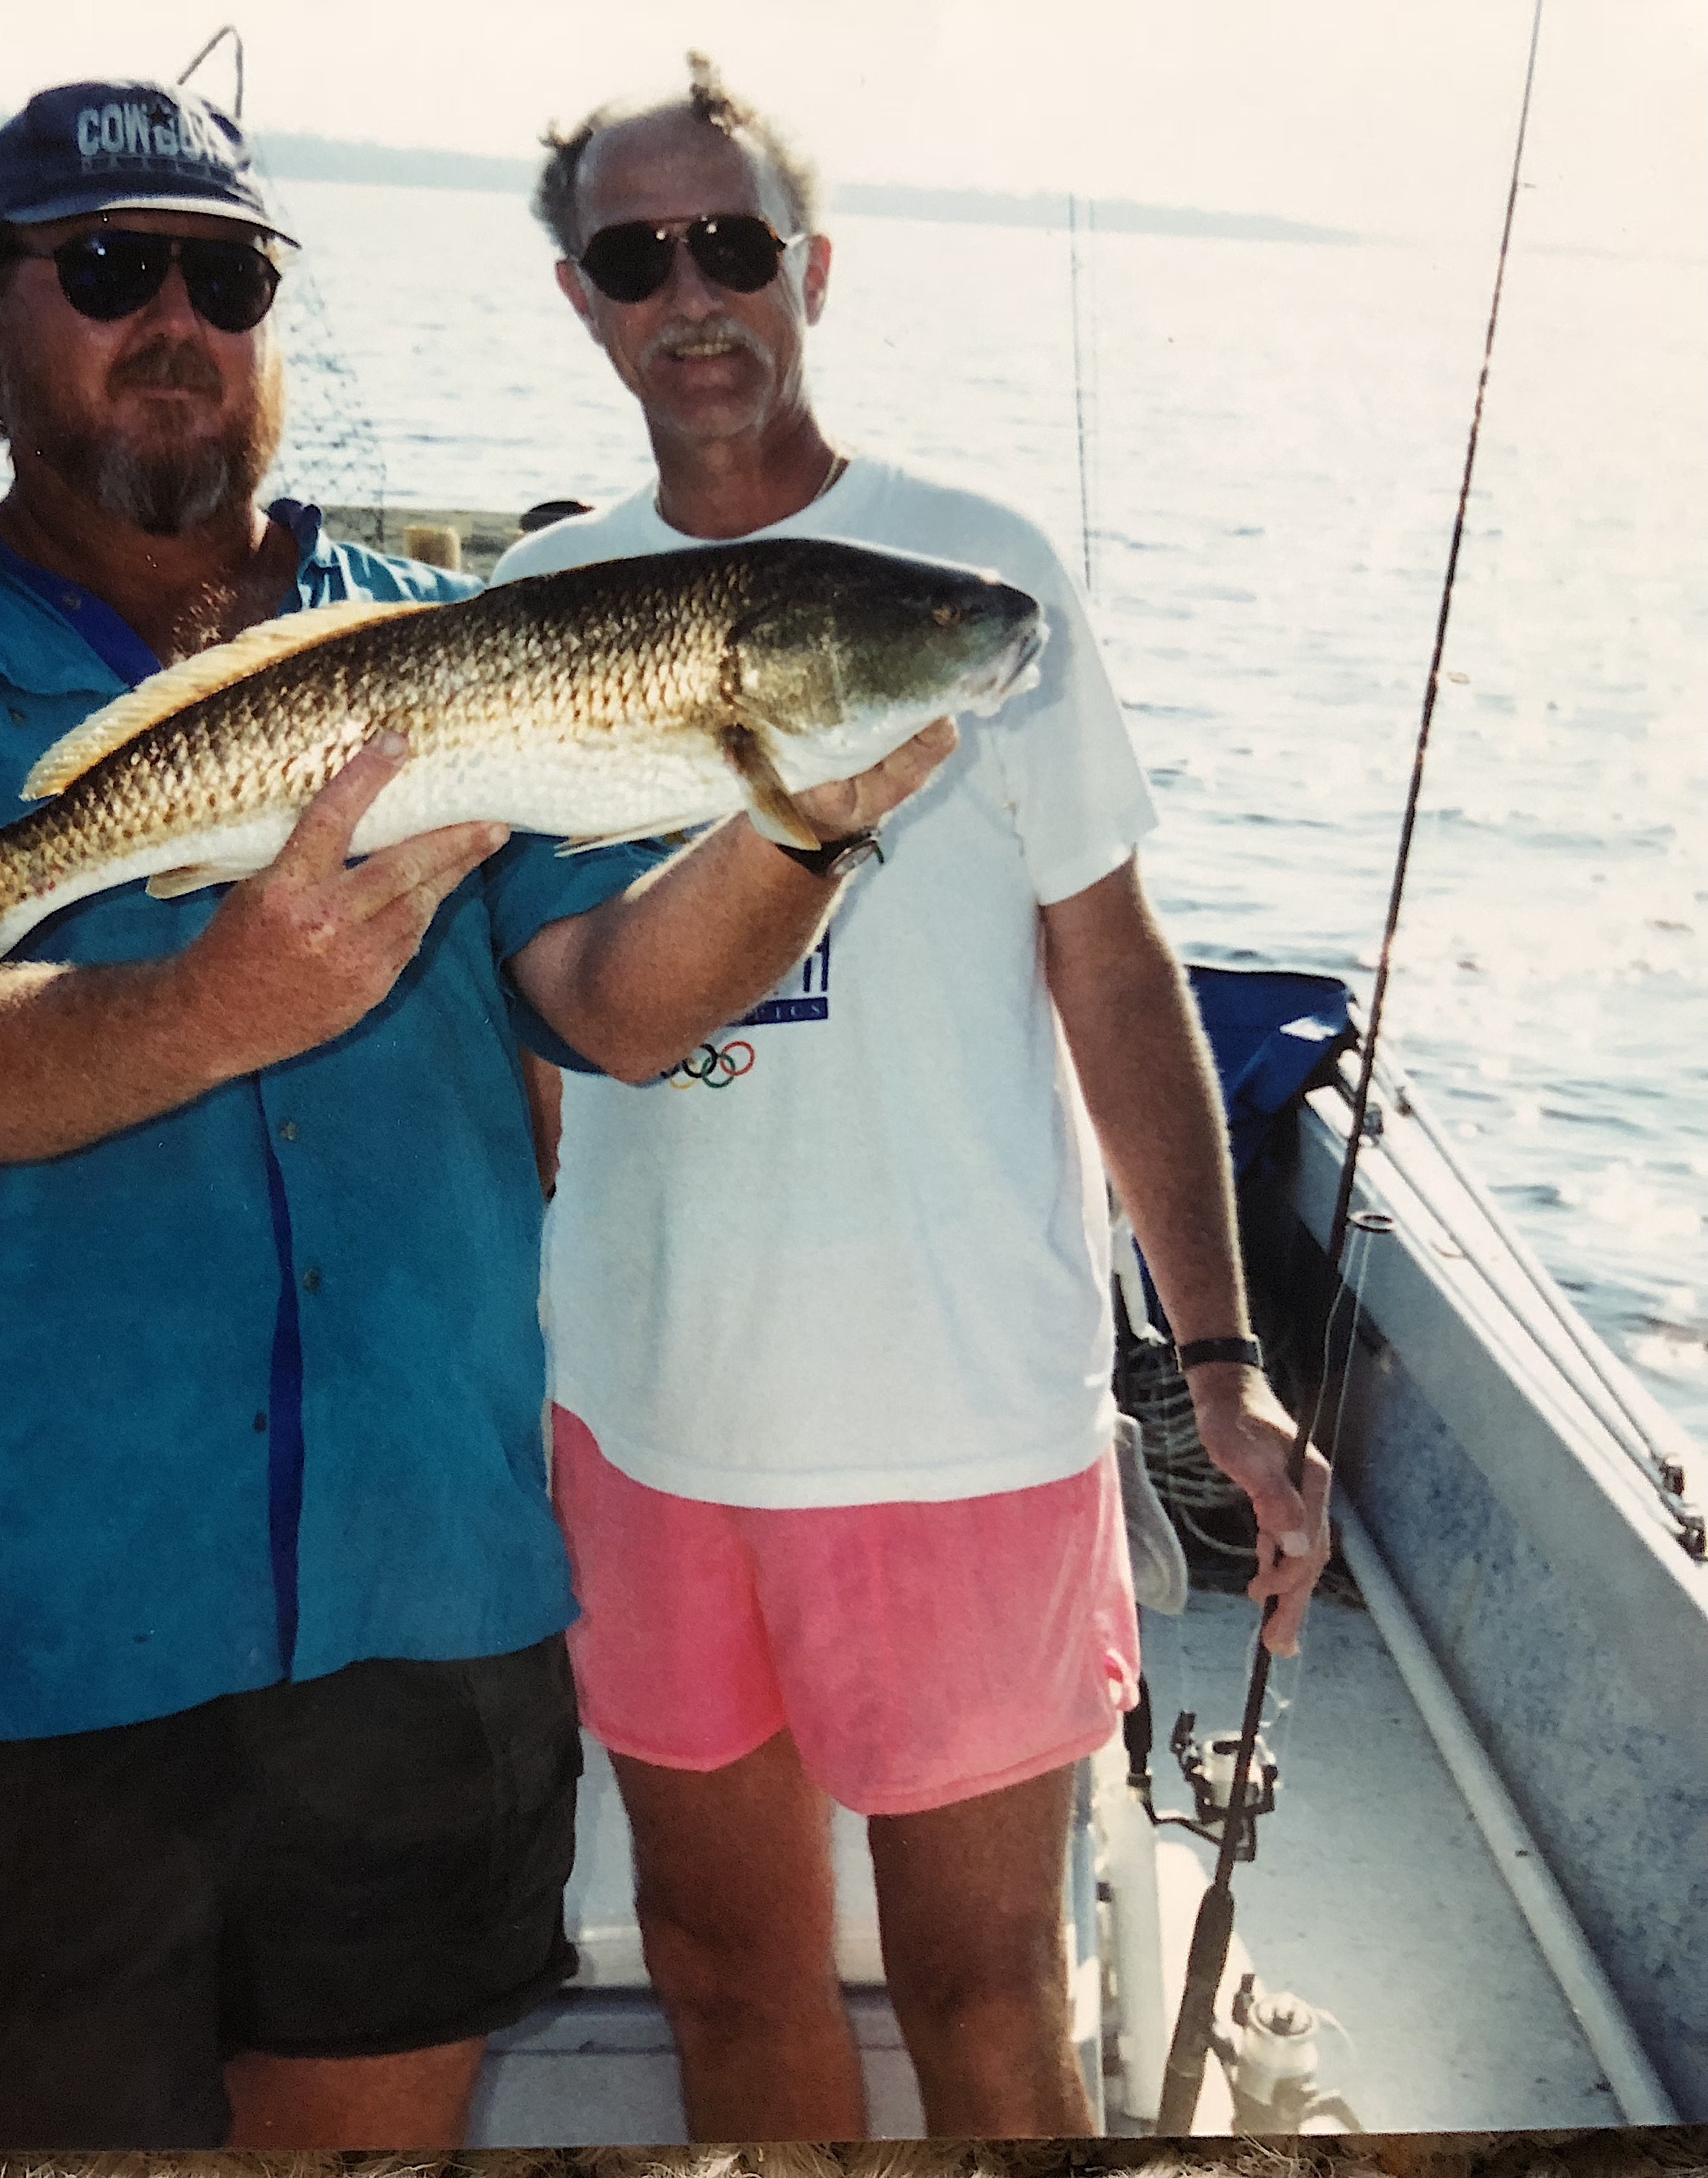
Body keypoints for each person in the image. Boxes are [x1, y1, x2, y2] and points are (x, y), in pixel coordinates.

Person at [0, 76, 954, 2152]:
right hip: (22, 1633)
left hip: (418, 1618)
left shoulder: (449, 643)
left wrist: (798, 833)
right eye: (108, 272)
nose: (175, 318)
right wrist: (212, 1006)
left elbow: (617, 1012)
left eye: (228, 274)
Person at [495, 56, 1336, 2141]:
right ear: (581, 301)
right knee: (720, 1969)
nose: (690, 293)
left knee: (983, 1993)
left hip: (955, 1425)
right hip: (651, 1422)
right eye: (634, 254)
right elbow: (535, 1026)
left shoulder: (980, 577)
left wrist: (1220, 1358)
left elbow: (1115, 967)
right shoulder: (534, 611)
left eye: (733, 245)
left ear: (814, 271)